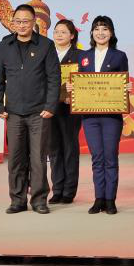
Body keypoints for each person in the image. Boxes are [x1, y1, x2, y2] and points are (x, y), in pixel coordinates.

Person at [0, 3, 60, 214]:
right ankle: (17, 200)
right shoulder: (5, 45)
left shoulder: (46, 45)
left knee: (38, 158)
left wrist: (50, 106)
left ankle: (39, 200)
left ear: (33, 22)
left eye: (26, 21)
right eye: (18, 21)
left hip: (39, 112)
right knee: (16, 158)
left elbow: (54, 78)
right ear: (13, 23)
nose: (21, 25)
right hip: (13, 112)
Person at [68, 16, 129, 215]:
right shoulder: (83, 56)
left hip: (111, 116)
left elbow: (123, 82)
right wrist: (72, 88)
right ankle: (98, 198)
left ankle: (110, 200)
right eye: (96, 29)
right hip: (89, 116)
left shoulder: (119, 56)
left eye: (105, 29)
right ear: (92, 33)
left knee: (110, 157)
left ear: (111, 33)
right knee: (97, 157)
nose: (100, 33)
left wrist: (126, 87)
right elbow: (79, 82)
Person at [48, 18, 83, 205]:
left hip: (70, 108)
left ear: (72, 36)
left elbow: (86, 82)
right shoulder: (47, 53)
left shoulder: (80, 56)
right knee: (54, 149)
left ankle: (69, 191)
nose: (59, 35)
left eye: (63, 32)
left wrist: (74, 90)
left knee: (69, 148)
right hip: (50, 108)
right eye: (56, 31)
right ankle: (57, 189)